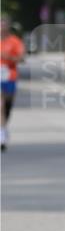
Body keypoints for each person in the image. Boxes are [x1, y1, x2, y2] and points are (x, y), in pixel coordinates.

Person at [1, 15, 26, 152]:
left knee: (7, 107)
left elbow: (21, 58)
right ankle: (2, 134)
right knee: (0, 105)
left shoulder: (15, 41)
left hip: (9, 77)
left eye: (4, 24)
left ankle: (3, 128)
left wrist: (8, 57)